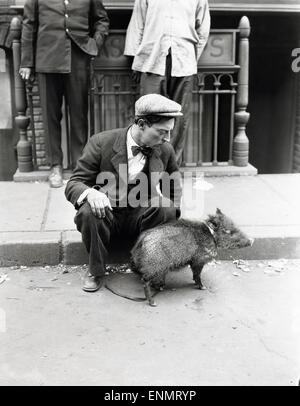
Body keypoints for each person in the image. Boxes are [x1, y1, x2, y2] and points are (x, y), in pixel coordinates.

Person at [65, 94, 183, 292]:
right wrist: (91, 194)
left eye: (170, 132)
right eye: (162, 131)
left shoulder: (165, 150)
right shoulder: (101, 142)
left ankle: (151, 267)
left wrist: (171, 223)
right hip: (107, 215)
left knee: (166, 208)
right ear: (142, 124)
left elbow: (173, 189)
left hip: (140, 217)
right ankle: (96, 271)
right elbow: (74, 183)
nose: (167, 138)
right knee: (88, 211)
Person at [19, 0, 109, 188]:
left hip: (78, 59)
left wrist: (95, 44)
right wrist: (27, 62)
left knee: (79, 116)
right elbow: (29, 24)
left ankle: (80, 168)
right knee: (50, 117)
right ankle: (55, 167)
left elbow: (101, 20)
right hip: (47, 58)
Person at [124, 0, 210, 164]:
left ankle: (171, 165)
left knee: (180, 117)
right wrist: (137, 60)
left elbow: (203, 30)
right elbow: (137, 24)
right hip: (152, 60)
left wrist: (192, 58)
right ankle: (146, 164)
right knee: (148, 115)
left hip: (184, 60)